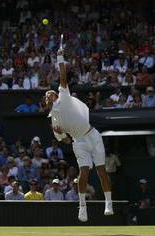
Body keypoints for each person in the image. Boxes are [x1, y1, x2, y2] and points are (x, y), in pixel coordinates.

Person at [43, 49, 113, 222]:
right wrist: (63, 135)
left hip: (93, 135)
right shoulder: (54, 122)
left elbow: (63, 75)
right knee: (84, 172)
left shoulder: (64, 95)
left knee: (101, 170)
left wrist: (60, 57)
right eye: (46, 95)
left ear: (56, 94)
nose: (50, 94)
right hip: (79, 142)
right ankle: (82, 207)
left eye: (51, 92)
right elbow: (65, 140)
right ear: (46, 102)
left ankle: (108, 203)